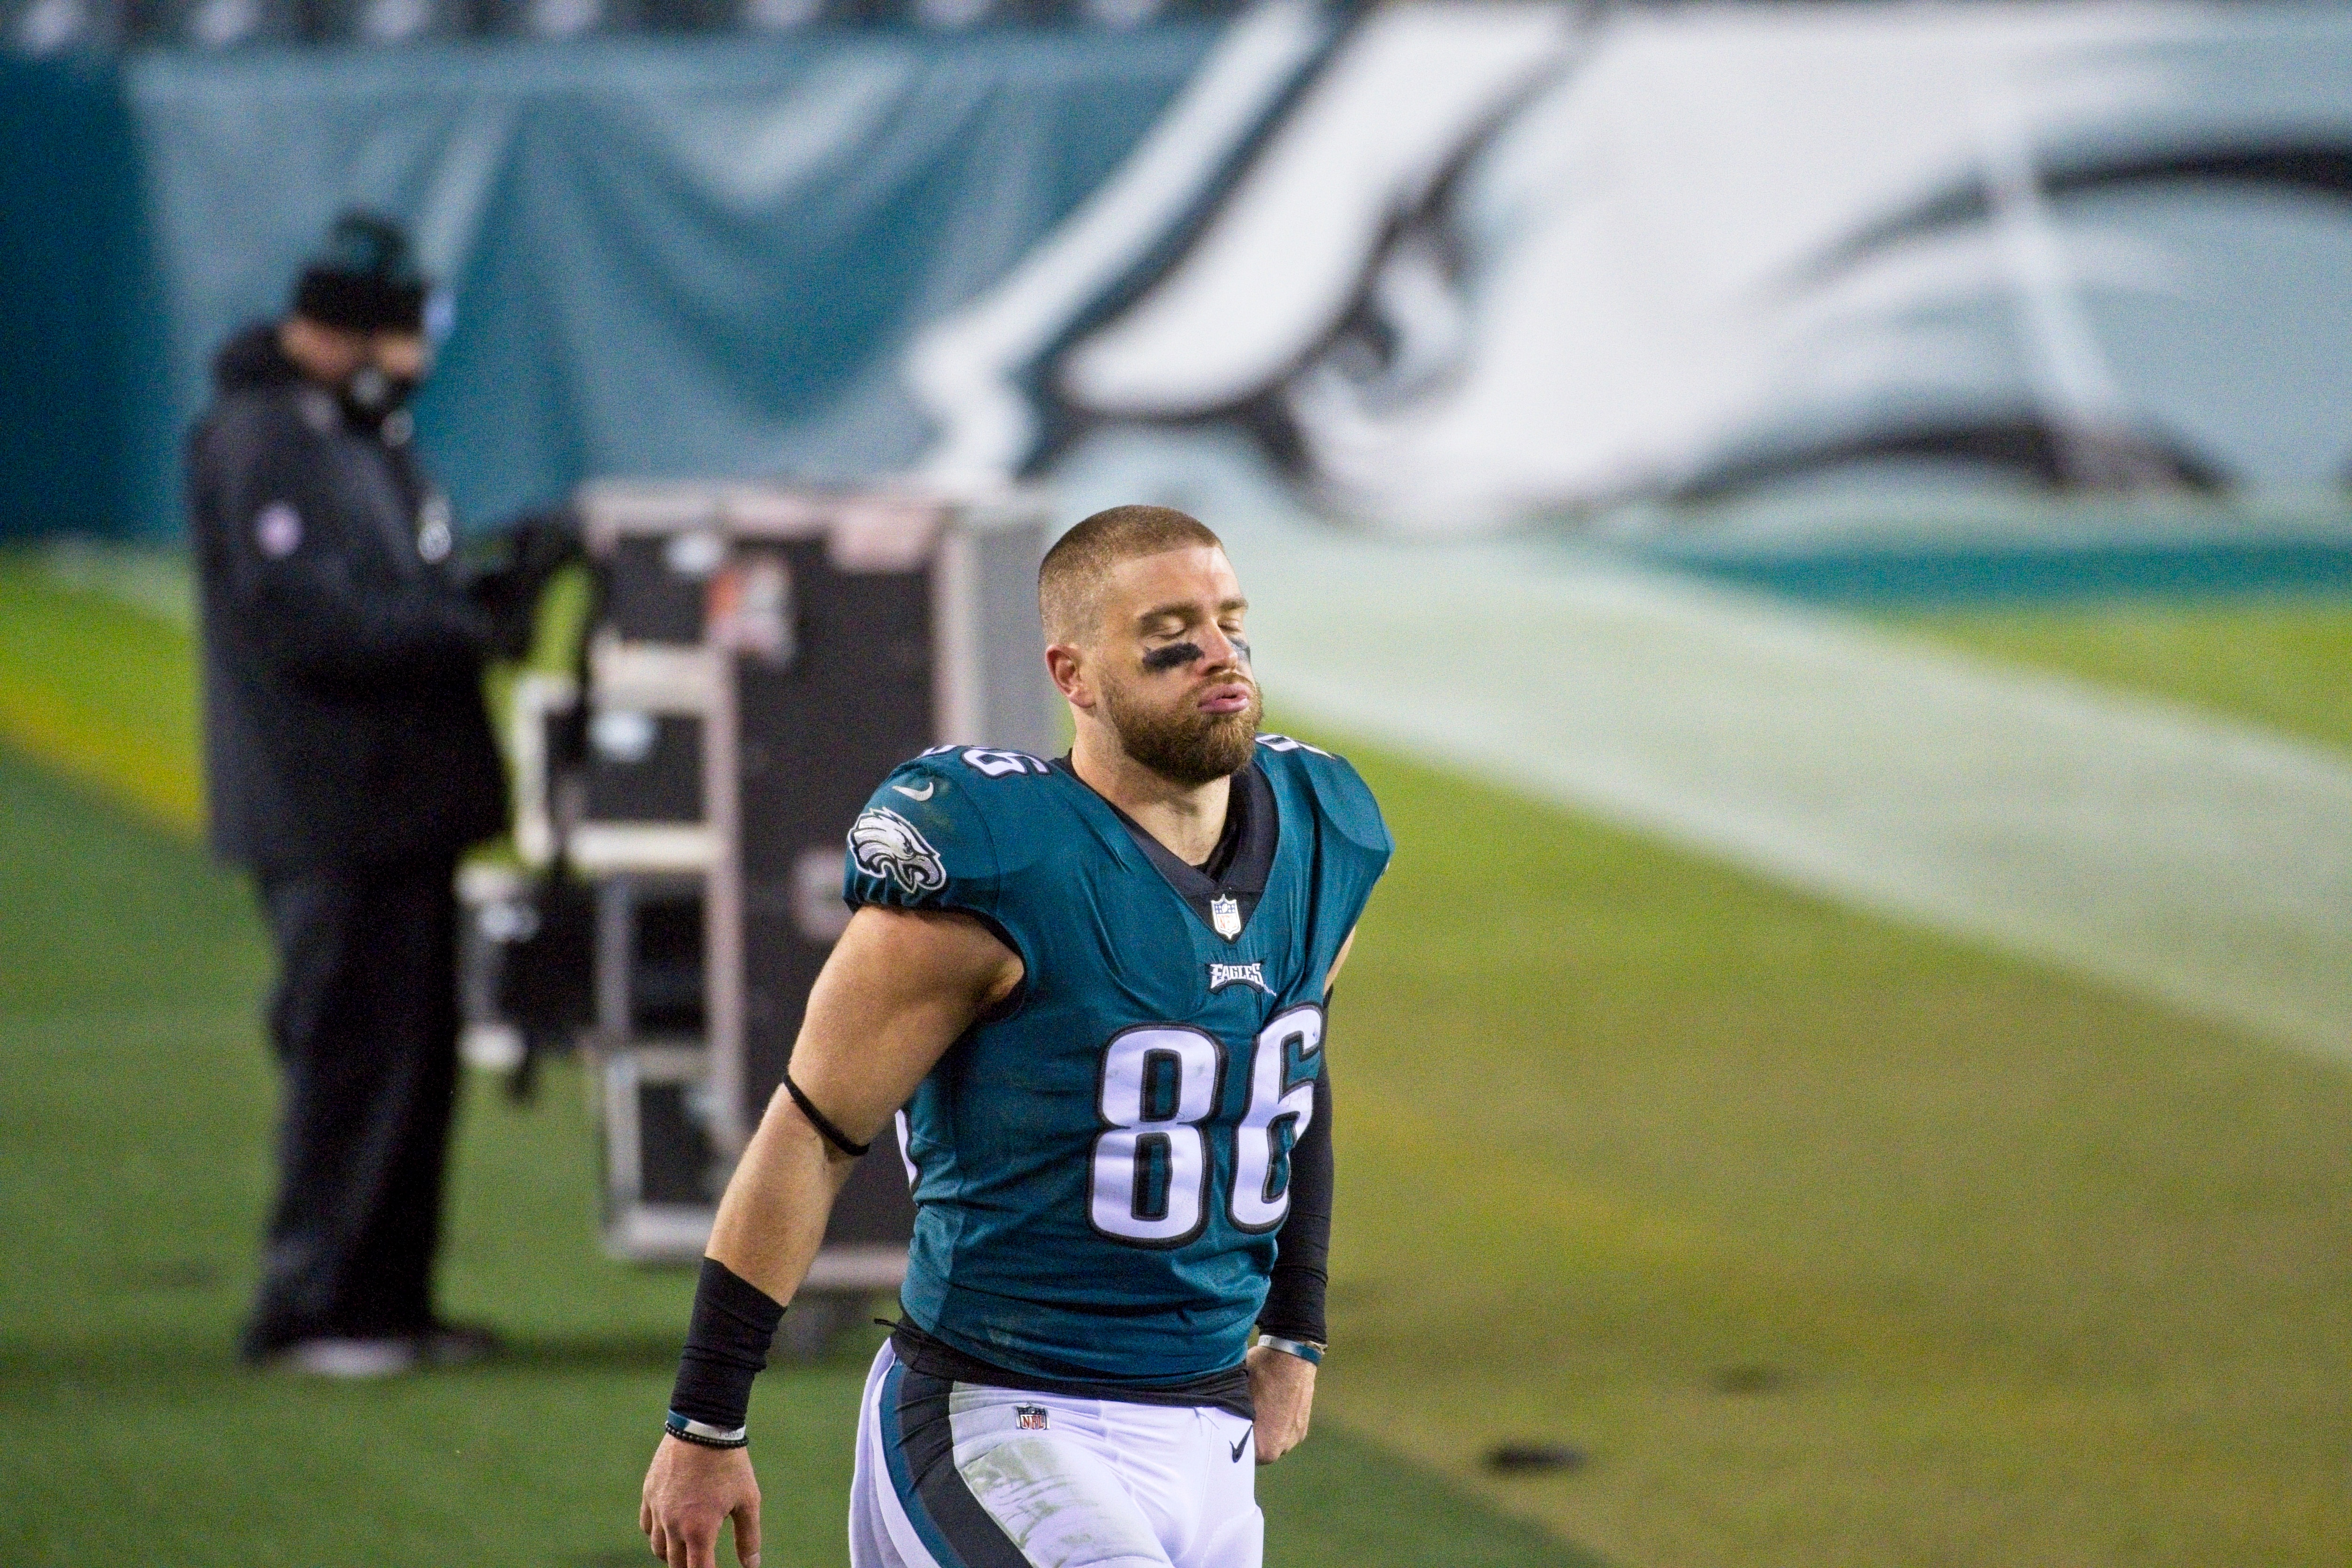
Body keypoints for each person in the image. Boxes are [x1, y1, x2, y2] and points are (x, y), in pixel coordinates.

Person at [639, 504, 1392, 1568]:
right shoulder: (996, 857)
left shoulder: (1324, 824)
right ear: (1074, 675)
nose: (1219, 655)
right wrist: (704, 1421)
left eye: (1230, 622)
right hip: (996, 1414)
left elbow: (1287, 1079)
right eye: (1171, 635)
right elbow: (810, 1130)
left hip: (1205, 1425)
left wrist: (1296, 1330)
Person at [189, 211, 556, 1377]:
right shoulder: (262, 437)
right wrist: (468, 625)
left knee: (415, 1060)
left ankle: (387, 1301)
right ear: (349, 335)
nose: (417, 362)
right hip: (330, 806)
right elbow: (305, 616)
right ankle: (306, 1309)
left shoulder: (359, 435)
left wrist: (496, 579)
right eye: (403, 338)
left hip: (404, 807)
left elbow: (403, 584)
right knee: (349, 1056)